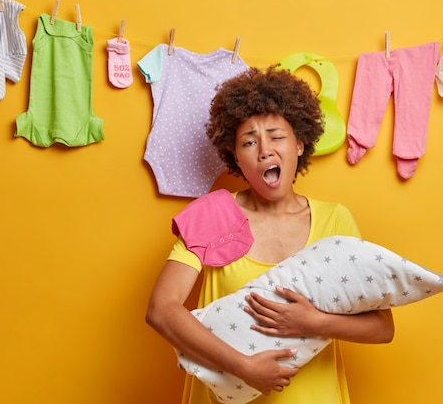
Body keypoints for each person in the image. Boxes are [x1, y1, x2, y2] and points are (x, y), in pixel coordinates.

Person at [146, 66, 395, 404]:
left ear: (300, 144)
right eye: (249, 141)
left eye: (276, 136)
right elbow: (162, 309)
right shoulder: (212, 214)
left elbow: (382, 328)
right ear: (236, 157)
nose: (264, 150)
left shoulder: (335, 219)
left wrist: (315, 321)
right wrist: (241, 367)